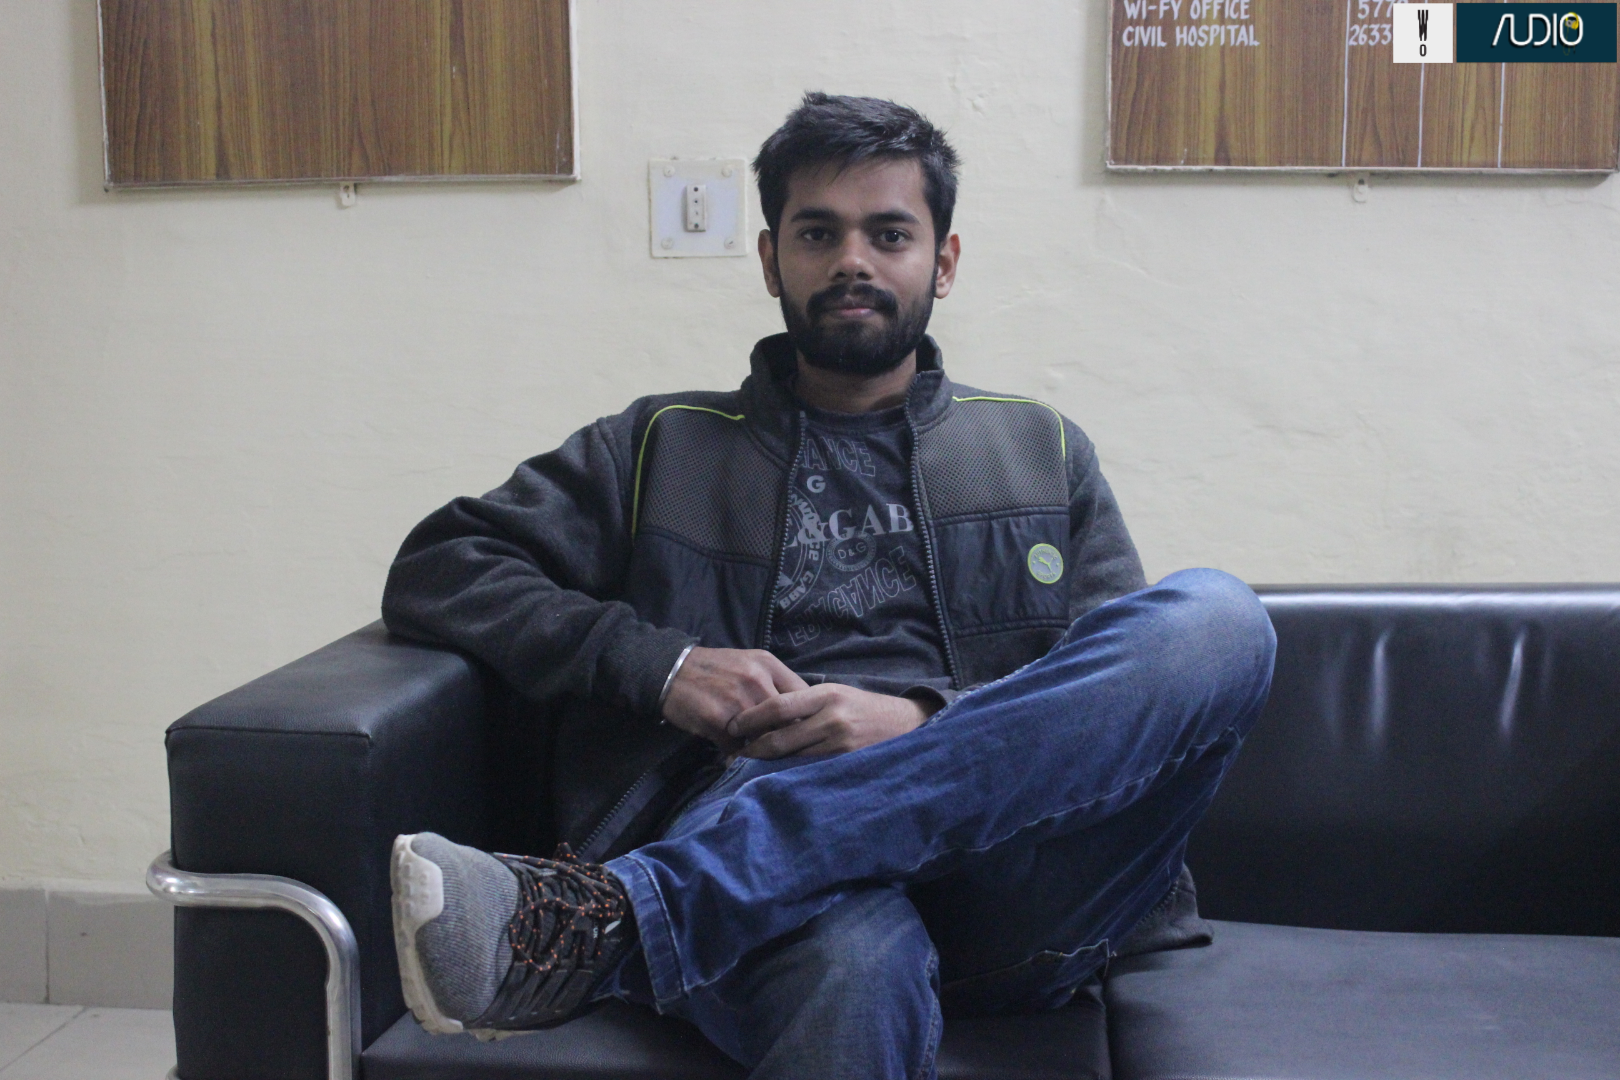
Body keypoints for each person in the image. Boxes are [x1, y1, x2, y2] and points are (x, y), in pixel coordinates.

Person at [380, 92, 1276, 1080]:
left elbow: (1108, 713)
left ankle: (635, 913)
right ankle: (710, 887)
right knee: (854, 972)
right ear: (772, 260)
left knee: (1221, 621)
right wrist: (664, 666)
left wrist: (925, 722)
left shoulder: (1041, 449)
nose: (854, 260)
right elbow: (443, 565)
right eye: (819, 233)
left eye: (889, 234)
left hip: (1014, 878)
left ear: (943, 261)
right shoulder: (659, 445)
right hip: (792, 893)